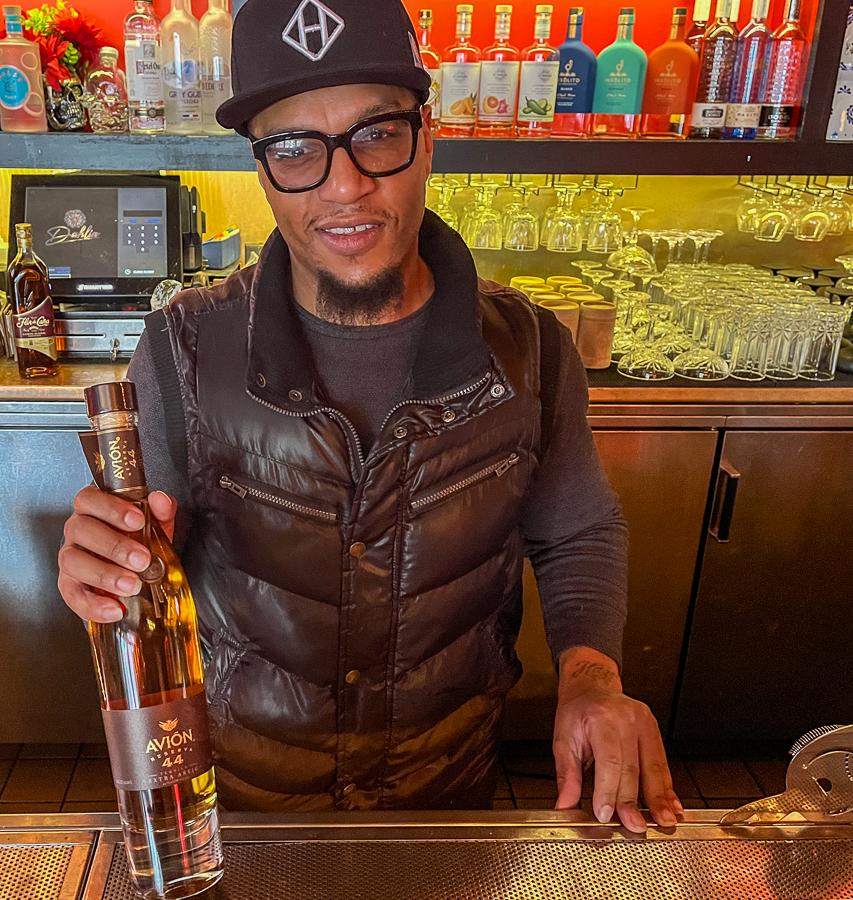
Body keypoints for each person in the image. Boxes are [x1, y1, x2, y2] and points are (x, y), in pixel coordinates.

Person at [59, 0, 681, 831]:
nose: (344, 185)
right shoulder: (184, 349)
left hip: (447, 802)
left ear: (428, 139)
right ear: (262, 169)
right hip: (245, 807)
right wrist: (103, 565)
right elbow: (138, 560)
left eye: (377, 134)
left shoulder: (531, 350)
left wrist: (591, 678)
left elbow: (578, 532)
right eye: (295, 149)